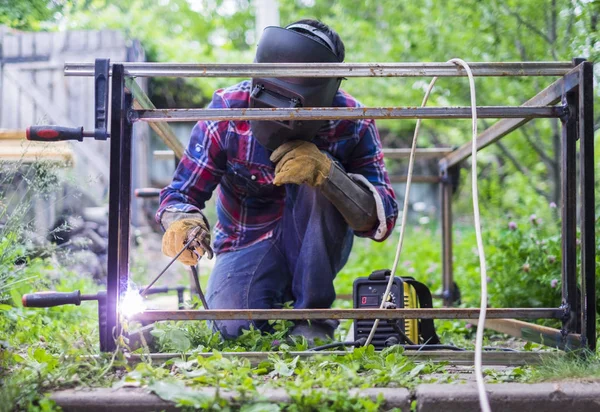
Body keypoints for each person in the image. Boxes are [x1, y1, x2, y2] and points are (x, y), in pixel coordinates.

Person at [157, 19, 398, 341]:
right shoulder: (229, 109)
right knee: (234, 330)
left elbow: (382, 221)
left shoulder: (352, 121)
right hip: (246, 241)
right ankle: (273, 299)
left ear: (330, 87)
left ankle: (312, 321)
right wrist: (181, 221)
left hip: (317, 248)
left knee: (327, 174)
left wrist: (329, 176)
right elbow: (181, 194)